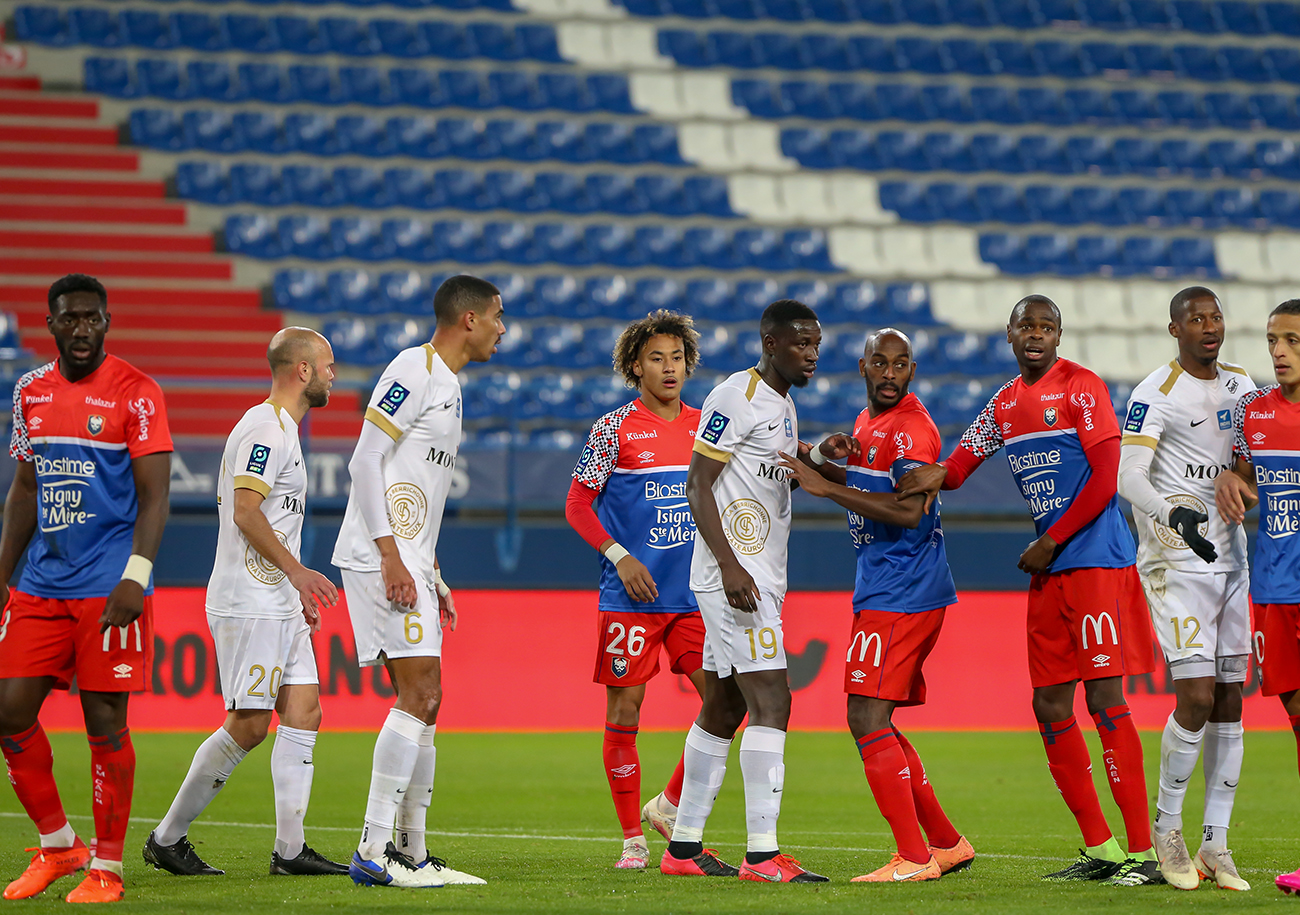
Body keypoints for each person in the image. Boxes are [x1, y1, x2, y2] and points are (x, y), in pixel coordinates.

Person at [896, 295, 1160, 886]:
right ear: (1010, 334)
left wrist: (1052, 541)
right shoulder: (1006, 403)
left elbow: (1105, 479)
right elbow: (960, 466)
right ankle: (1104, 848)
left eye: (1047, 327)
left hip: (1092, 559)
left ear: (1059, 335)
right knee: (1048, 704)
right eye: (1027, 326)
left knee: (1106, 702)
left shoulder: (1082, 388)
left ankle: (1144, 854)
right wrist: (924, 472)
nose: (1036, 335)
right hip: (1050, 568)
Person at [144, 328, 347, 878]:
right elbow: (246, 511)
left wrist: (294, 589)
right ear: (301, 370)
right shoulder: (264, 428)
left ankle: (289, 851)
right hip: (249, 600)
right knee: (251, 724)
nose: (334, 372)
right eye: (327, 364)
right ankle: (167, 838)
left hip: (277, 599)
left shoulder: (285, 430)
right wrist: (299, 573)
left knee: (305, 710)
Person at [0, 273, 172, 903]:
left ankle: (107, 867)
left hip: (108, 586)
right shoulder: (30, 392)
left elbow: (156, 498)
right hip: (42, 584)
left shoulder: (138, 393)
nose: (81, 329)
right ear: (51, 324)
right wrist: (1, 574)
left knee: (104, 722)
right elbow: (24, 487)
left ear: (107, 322)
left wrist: (135, 577)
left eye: (92, 318)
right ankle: (58, 845)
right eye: (70, 318)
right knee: (7, 712)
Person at [778, 328, 971, 883]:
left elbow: (909, 511)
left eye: (900, 364)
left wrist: (826, 489)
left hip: (904, 591)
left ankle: (913, 858)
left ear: (912, 371)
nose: (889, 373)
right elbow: (873, 482)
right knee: (876, 717)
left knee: (864, 716)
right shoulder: (867, 425)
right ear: (863, 367)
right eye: (879, 363)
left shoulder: (913, 427)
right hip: (887, 588)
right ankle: (945, 843)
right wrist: (826, 467)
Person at [332, 275, 503, 889]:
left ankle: (410, 852)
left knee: (427, 701)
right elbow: (364, 459)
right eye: (496, 317)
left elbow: (415, 490)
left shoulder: (450, 385)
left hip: (407, 559)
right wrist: (391, 557)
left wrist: (430, 570)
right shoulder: (414, 367)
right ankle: (374, 853)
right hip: (381, 557)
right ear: (468, 320)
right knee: (420, 696)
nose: (502, 329)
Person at [659, 299, 829, 884]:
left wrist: (817, 456)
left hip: (759, 575)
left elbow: (775, 468)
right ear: (769, 341)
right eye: (800, 343)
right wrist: (732, 567)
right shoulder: (736, 395)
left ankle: (682, 848)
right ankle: (762, 855)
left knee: (725, 705)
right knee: (774, 702)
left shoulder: (783, 404)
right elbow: (697, 483)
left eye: (816, 344)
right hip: (736, 579)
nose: (811, 353)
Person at [1119, 287, 1253, 892]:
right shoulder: (1155, 393)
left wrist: (1237, 477)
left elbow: (1255, 462)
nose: (1209, 326)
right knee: (1196, 695)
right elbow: (1128, 476)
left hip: (1234, 562)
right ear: (1174, 329)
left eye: (1216, 316)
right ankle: (1166, 828)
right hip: (1176, 564)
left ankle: (1215, 844)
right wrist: (1174, 519)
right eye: (1196, 318)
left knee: (1230, 699)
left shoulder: (1243, 388)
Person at [564, 311, 708, 869]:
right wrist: (619, 555)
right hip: (632, 597)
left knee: (728, 700)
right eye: (656, 358)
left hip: (694, 595)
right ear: (634, 365)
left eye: (677, 357)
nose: (668, 368)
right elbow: (577, 505)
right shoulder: (612, 429)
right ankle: (632, 839)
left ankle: (669, 803)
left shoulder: (706, 425)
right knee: (625, 713)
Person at [1214, 298, 1300, 896]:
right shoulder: (1254, 412)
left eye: (1292, 341)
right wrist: (1230, 478)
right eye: (1273, 340)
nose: (1279, 352)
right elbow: (1246, 475)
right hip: (1272, 589)